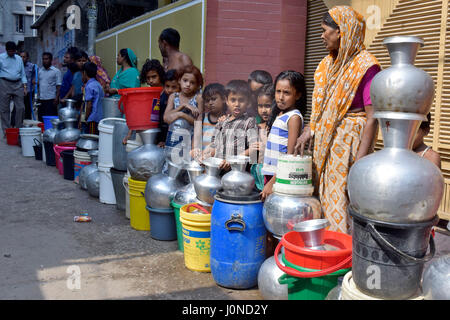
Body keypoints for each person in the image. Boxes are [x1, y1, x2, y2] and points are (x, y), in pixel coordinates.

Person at [294, 6, 381, 234]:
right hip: (324, 144)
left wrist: (359, 164)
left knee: (341, 201)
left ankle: (341, 257)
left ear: (342, 31)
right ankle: (324, 249)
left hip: (349, 144)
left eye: (325, 31)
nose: (322, 36)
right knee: (322, 198)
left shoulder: (366, 66)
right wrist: (309, 130)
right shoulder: (326, 66)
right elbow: (320, 111)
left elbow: (372, 118)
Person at [261, 71, 306, 200]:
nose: (280, 97)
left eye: (286, 93)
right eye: (278, 91)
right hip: (271, 173)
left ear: (297, 95)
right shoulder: (280, 114)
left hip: (280, 176)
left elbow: (290, 155)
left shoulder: (294, 117)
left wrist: (272, 181)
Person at [203, 80, 258, 170]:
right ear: (227, 101)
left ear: (248, 103)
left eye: (241, 100)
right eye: (233, 100)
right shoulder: (221, 122)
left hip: (237, 171)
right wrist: (204, 156)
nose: (237, 104)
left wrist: (233, 160)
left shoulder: (249, 122)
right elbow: (214, 145)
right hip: (219, 170)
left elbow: (253, 148)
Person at [164, 65, 203, 163]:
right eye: (185, 80)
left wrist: (182, 115)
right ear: (179, 80)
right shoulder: (173, 97)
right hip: (173, 142)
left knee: (185, 168)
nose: (188, 84)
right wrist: (183, 107)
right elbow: (166, 118)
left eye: (192, 82)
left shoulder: (198, 98)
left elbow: (198, 124)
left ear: (198, 85)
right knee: (171, 168)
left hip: (189, 142)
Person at [191, 83, 227, 159]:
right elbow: (196, 141)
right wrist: (197, 154)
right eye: (207, 100)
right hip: (202, 160)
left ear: (224, 99)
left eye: (213, 99)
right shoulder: (202, 118)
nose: (210, 103)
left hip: (219, 162)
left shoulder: (228, 120)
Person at [0, 41, 27, 136]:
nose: (12, 53)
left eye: (13, 51)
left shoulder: (19, 58)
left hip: (17, 84)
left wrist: (24, 86)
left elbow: (22, 73)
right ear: (7, 50)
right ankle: (7, 131)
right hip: (4, 83)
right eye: (10, 51)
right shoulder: (1, 58)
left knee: (21, 108)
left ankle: (19, 129)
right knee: (4, 109)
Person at [250, 83, 274, 191]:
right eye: (260, 106)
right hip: (256, 174)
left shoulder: (276, 128)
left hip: (271, 175)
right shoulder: (257, 126)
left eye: (268, 106)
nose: (263, 110)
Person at [157, 69, 180, 147]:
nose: (170, 90)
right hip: (162, 136)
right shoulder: (162, 98)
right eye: (167, 86)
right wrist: (162, 140)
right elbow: (160, 122)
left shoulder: (181, 100)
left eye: (174, 87)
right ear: (163, 86)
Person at [79, 62, 104, 135]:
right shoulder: (98, 84)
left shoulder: (89, 86)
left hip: (92, 119)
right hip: (99, 117)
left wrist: (86, 118)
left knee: (91, 139)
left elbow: (89, 105)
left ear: (84, 73)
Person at [37, 52, 62, 122]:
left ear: (51, 60)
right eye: (43, 59)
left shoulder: (56, 71)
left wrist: (57, 98)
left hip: (51, 100)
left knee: (51, 120)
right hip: (41, 100)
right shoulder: (40, 71)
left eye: (46, 59)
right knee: (41, 120)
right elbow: (38, 83)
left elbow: (59, 86)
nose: (44, 61)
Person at [20, 51, 37, 121]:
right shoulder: (16, 66)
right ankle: (15, 124)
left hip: (29, 91)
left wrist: (34, 79)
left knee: (28, 108)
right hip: (18, 91)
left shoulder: (32, 66)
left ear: (27, 58)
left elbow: (36, 74)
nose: (22, 58)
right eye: (21, 57)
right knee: (18, 108)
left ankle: (27, 123)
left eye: (24, 57)